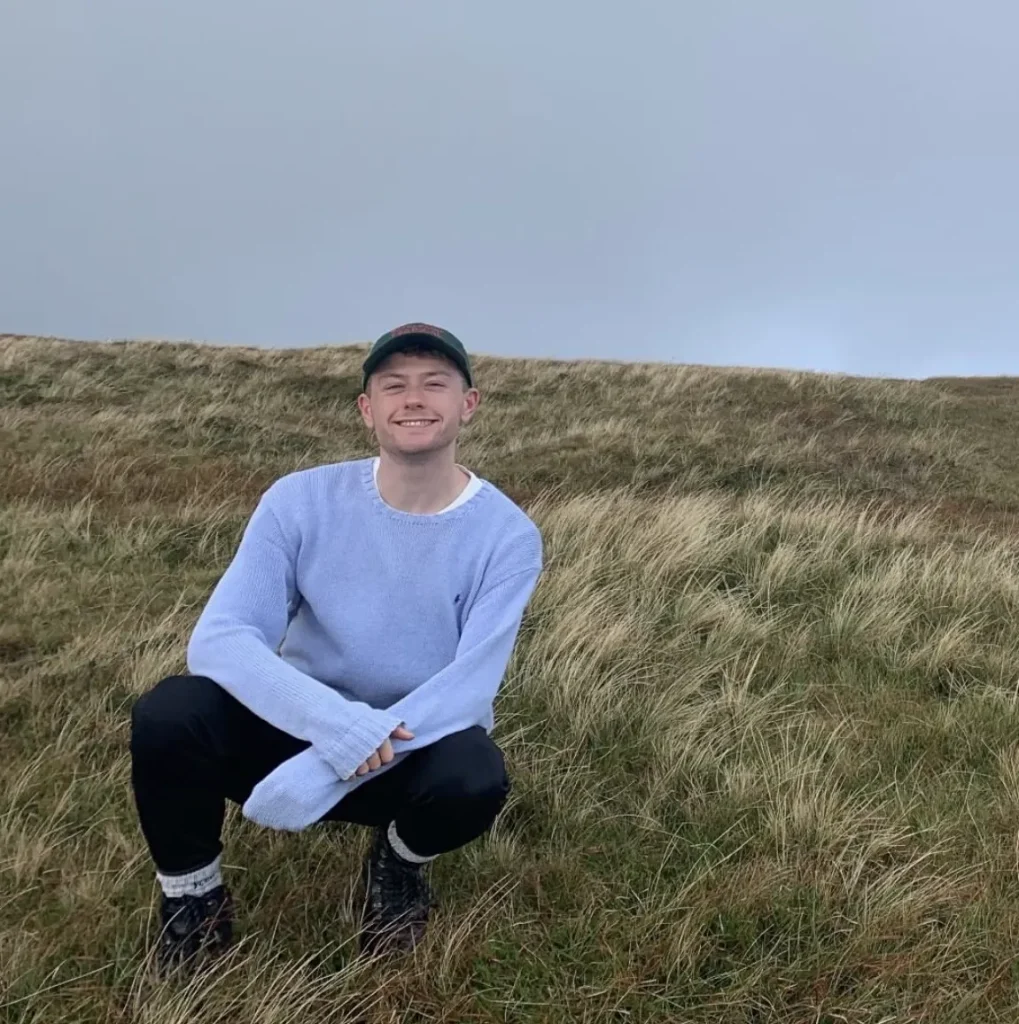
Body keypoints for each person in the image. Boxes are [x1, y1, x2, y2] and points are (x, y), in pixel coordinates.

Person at [129, 323, 544, 974]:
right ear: (366, 409)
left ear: (468, 404)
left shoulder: (507, 536)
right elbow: (222, 638)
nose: (413, 398)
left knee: (474, 776)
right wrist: (332, 727)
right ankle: (194, 901)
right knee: (171, 714)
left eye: (435, 383)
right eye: (393, 385)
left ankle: (396, 865)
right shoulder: (299, 500)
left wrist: (321, 772)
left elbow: (469, 687)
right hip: (298, 722)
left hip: (410, 746)